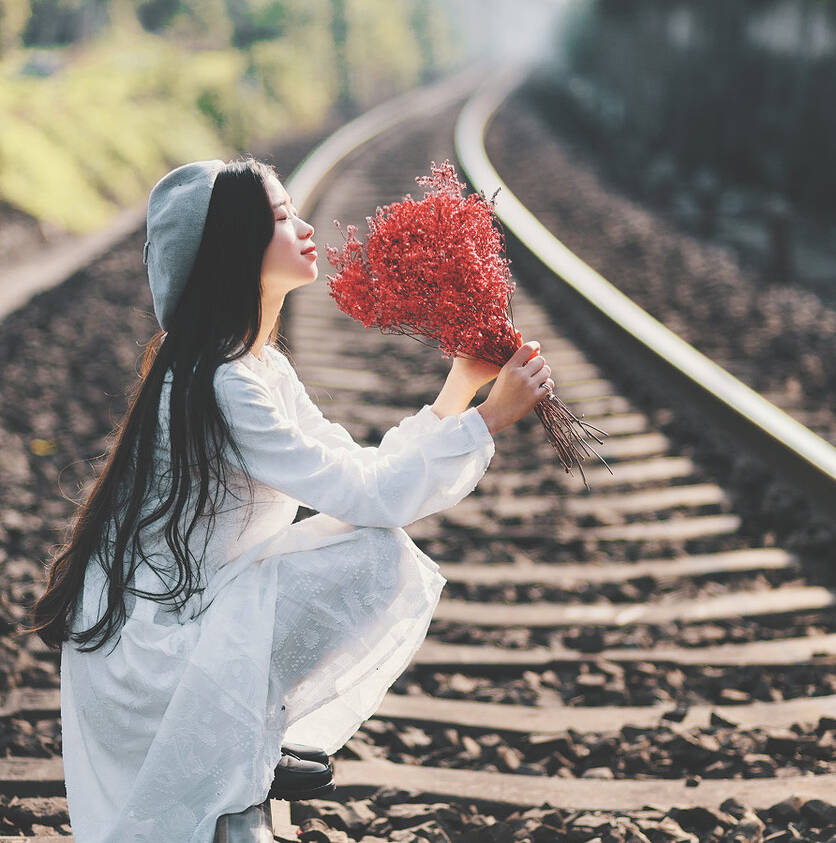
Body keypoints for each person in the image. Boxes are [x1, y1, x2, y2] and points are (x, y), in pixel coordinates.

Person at [24, 155, 554, 842]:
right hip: (152, 661)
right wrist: (487, 419)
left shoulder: (253, 366)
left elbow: (359, 471)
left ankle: (251, 743)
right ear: (232, 247)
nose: (305, 228)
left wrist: (460, 389)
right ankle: (246, 746)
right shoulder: (224, 381)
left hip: (190, 619)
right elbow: (370, 497)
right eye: (280, 217)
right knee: (371, 551)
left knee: (364, 542)